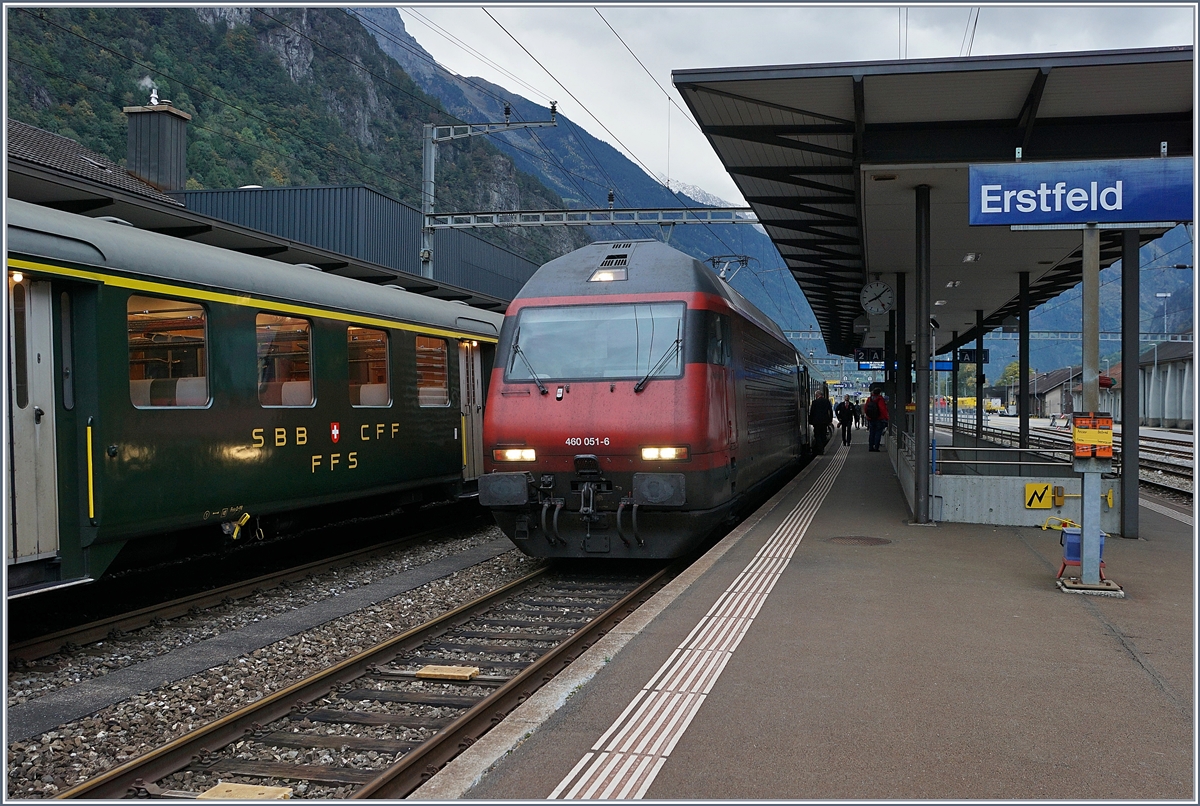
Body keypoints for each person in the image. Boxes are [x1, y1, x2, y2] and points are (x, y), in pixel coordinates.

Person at [809, 388, 834, 455]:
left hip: (816, 422)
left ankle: (820, 449)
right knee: (823, 435)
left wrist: (810, 421)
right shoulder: (826, 401)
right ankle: (822, 447)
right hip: (824, 422)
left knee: (817, 435)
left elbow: (812, 412)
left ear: (817, 395)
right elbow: (830, 411)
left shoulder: (814, 402)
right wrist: (830, 420)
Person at [864, 388, 889, 452]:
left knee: (872, 433)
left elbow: (866, 408)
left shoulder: (869, 399)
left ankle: (870, 447)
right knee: (878, 433)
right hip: (879, 419)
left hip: (871, 419)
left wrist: (868, 416)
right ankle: (876, 447)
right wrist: (886, 417)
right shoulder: (880, 399)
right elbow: (882, 409)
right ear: (879, 393)